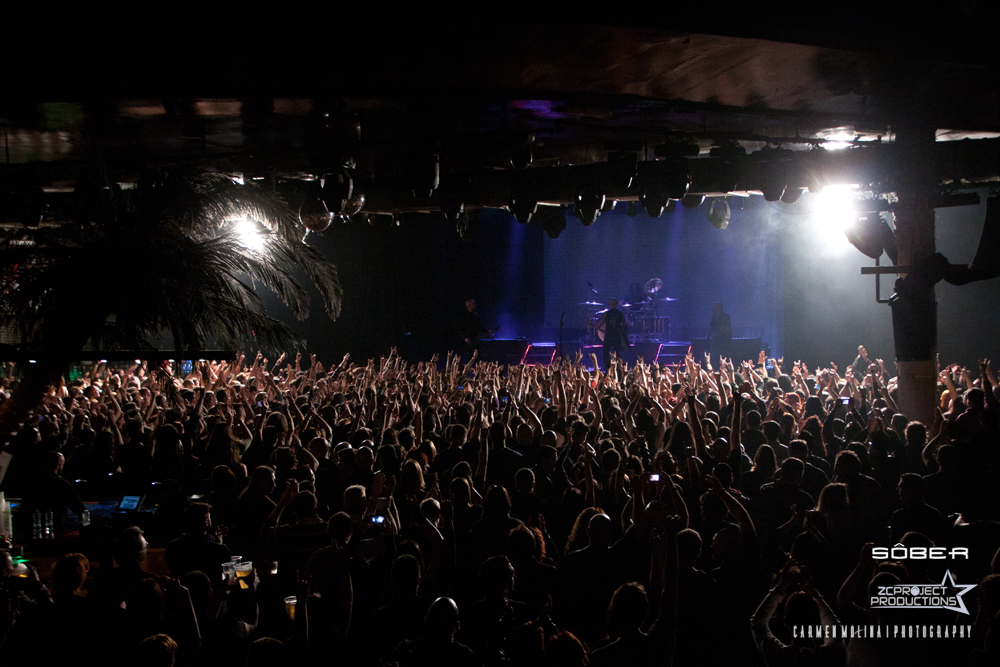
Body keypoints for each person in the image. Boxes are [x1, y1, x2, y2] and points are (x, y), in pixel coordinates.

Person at [598, 298, 628, 370]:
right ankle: (617, 370)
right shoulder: (620, 314)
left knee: (606, 353)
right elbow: (625, 326)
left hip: (609, 336)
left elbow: (598, 325)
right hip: (616, 336)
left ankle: (607, 369)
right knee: (617, 353)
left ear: (610, 304)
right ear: (616, 305)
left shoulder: (606, 314)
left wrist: (598, 327)